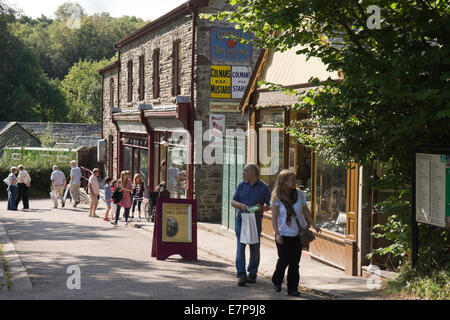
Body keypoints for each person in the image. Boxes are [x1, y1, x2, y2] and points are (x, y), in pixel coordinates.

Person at [271, 170, 321, 297]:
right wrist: (277, 233)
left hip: (298, 234)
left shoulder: (300, 194)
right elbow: (274, 216)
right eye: (292, 180)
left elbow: (305, 211)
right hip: (283, 234)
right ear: (284, 182)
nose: (295, 182)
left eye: (295, 179)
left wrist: (314, 225)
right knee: (284, 260)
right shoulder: (277, 196)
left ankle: (292, 288)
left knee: (294, 263)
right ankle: (277, 280)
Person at [231, 164, 271, 286]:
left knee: (254, 247)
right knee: (240, 246)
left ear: (254, 173)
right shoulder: (242, 185)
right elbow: (233, 202)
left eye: (245, 171)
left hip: (255, 220)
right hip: (241, 219)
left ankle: (252, 274)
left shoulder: (264, 187)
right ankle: (241, 275)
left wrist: (261, 208)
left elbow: (270, 205)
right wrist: (241, 206)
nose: (243, 172)